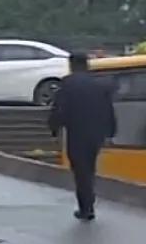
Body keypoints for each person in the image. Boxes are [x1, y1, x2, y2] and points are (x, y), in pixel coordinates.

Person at [48, 52, 116, 222]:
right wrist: (110, 132)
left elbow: (59, 109)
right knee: (90, 168)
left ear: (72, 65)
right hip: (96, 134)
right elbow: (108, 110)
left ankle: (86, 207)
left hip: (77, 134)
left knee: (81, 171)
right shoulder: (99, 85)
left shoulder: (67, 84)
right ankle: (89, 201)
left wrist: (54, 128)